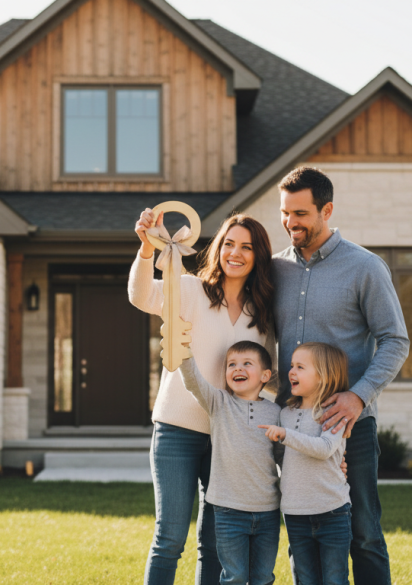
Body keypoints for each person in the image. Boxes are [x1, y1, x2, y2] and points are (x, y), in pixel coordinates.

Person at [272, 166, 410, 585]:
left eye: (300, 213)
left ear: (326, 209)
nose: (290, 222)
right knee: (302, 533)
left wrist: (359, 396)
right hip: (293, 423)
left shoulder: (365, 267)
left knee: (364, 532)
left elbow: (395, 339)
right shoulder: (274, 269)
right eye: (284, 213)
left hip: (350, 425)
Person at [130, 210, 275, 585]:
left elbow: (266, 378)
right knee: (170, 538)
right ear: (218, 249)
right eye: (228, 243)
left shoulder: (262, 312)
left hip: (228, 438)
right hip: (176, 431)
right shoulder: (190, 289)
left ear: (258, 255)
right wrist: (147, 249)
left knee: (214, 544)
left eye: (246, 246)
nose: (235, 253)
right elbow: (141, 295)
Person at [178, 341, 281, 585]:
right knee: (234, 577)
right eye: (231, 364)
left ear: (265, 375)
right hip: (228, 511)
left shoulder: (277, 413)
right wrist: (183, 352)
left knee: (263, 577)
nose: (238, 369)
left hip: (268, 511)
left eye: (247, 364)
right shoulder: (219, 402)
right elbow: (194, 382)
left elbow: (288, 455)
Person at [259, 342, 352, 585]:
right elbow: (281, 456)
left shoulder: (335, 412)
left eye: (300, 367)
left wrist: (287, 435)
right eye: (291, 365)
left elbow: (323, 449)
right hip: (296, 513)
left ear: (323, 376)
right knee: (305, 580)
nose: (291, 372)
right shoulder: (285, 414)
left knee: (335, 580)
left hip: (332, 510)